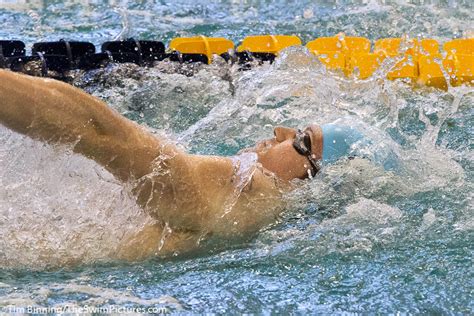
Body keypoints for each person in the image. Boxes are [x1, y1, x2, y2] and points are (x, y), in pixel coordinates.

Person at [0, 69, 370, 261]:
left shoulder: (251, 190)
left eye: (302, 140)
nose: (281, 130)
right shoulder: (260, 219)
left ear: (314, 180)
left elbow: (103, 134)